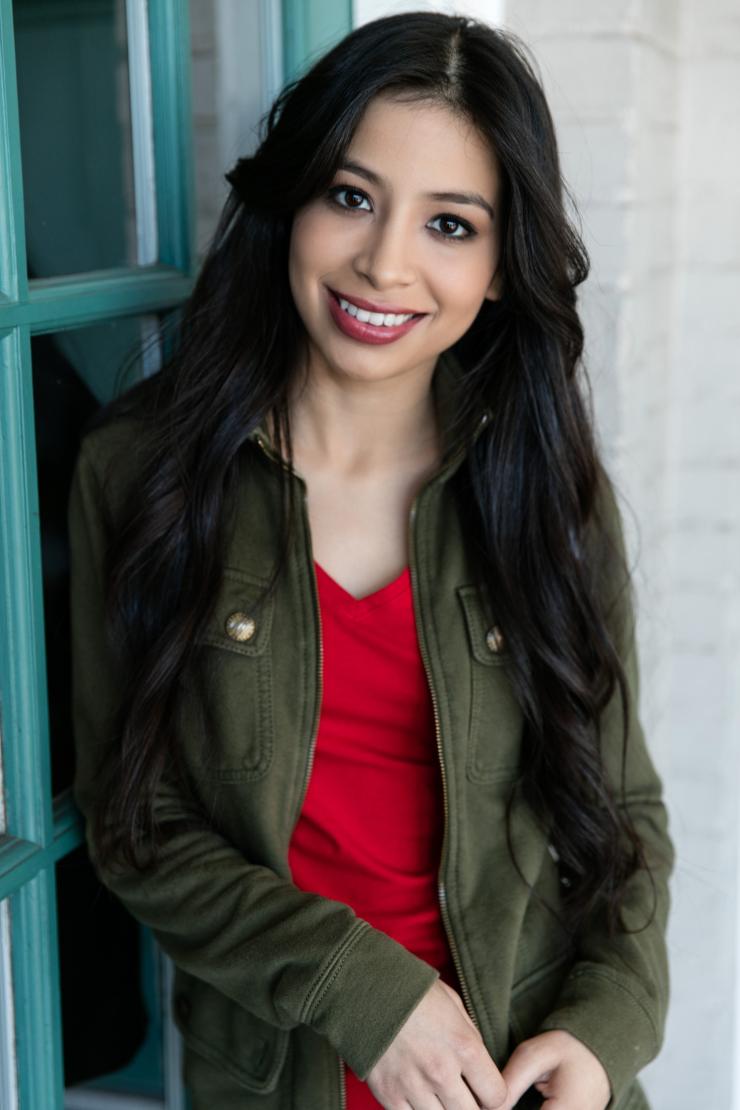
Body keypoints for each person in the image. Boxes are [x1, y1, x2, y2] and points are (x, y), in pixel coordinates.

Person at [67, 11, 674, 1110]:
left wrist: (602, 1031)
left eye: (450, 224)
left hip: (520, 1084)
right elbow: (134, 823)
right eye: (350, 197)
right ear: (290, 204)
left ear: (498, 270)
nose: (384, 263)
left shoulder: (547, 498)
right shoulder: (141, 474)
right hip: (276, 1078)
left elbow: (622, 810)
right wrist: (361, 990)